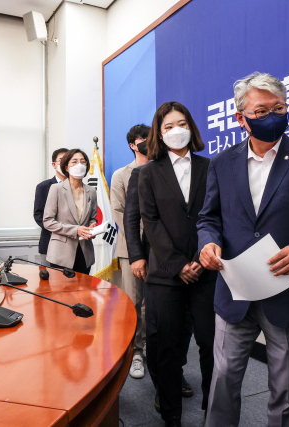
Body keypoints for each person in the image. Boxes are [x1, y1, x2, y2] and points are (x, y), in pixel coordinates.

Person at [198, 72, 289, 427]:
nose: (273, 116)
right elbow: (208, 218)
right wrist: (208, 242)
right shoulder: (222, 163)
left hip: (287, 292)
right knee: (223, 380)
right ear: (241, 118)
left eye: (279, 108)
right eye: (262, 111)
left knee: (287, 391)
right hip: (234, 293)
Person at [138, 101, 217, 427]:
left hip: (206, 270)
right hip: (166, 274)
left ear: (191, 127)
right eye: (168, 126)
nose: (176, 131)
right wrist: (178, 264)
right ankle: (171, 416)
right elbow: (151, 222)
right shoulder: (148, 173)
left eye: (181, 124)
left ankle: (213, 413)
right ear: (159, 134)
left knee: (211, 345)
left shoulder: (210, 166)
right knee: (168, 348)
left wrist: (199, 260)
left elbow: (216, 215)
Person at [125, 155, 195, 405]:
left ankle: (176, 371)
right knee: (158, 327)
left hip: (191, 261)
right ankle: (162, 382)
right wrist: (136, 256)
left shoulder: (199, 169)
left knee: (185, 324)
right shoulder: (143, 172)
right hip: (156, 260)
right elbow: (131, 218)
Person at [111, 124, 151, 379]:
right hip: (131, 248)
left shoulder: (160, 168)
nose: (147, 141)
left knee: (153, 303)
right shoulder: (121, 175)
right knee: (134, 301)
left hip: (159, 248)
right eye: (142, 139)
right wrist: (138, 240)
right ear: (132, 145)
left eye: (150, 137)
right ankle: (136, 352)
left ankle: (150, 347)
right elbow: (119, 211)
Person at [43, 149, 97, 275]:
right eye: (74, 161)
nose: (79, 164)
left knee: (84, 287)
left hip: (85, 252)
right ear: (66, 167)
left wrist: (91, 228)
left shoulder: (91, 191)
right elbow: (48, 221)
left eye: (83, 161)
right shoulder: (56, 189)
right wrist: (75, 230)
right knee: (61, 288)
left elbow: (92, 218)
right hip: (61, 254)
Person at [34, 148, 69, 266]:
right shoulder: (43, 186)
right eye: (62, 160)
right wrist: (58, 230)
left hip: (73, 244)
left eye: (68, 160)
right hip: (50, 242)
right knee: (50, 276)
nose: (65, 163)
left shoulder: (78, 187)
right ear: (54, 164)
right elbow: (39, 215)